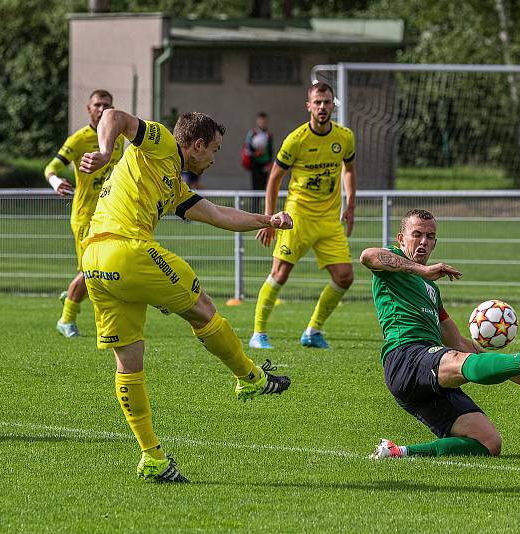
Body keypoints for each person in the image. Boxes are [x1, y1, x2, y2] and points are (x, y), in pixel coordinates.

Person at [78, 108, 293, 483]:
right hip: (126, 249)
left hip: (93, 261)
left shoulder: (173, 185)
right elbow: (114, 115)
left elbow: (216, 215)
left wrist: (267, 220)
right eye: (213, 150)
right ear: (195, 146)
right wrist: (104, 150)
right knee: (203, 308)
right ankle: (249, 377)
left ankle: (153, 457)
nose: (214, 157)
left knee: (128, 361)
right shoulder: (160, 143)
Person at [361, 209, 520, 459]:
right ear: (401, 238)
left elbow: (460, 343)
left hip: (427, 369)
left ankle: (397, 452)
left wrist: (511, 372)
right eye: (416, 234)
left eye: (430, 236)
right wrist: (422, 270)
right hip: (405, 356)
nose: (423, 241)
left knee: (488, 442)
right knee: (453, 359)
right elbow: (367, 256)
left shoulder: (432, 289)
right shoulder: (392, 264)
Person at [249, 82, 356, 350]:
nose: (322, 107)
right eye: (317, 102)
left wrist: (351, 204)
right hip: (298, 217)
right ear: (308, 105)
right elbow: (274, 179)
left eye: (327, 102)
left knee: (345, 277)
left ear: (333, 105)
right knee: (280, 273)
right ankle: (258, 333)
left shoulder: (345, 137)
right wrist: (269, 219)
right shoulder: (295, 140)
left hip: (329, 220)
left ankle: (313, 331)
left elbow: (349, 169)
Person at [44, 89, 124, 338]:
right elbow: (51, 167)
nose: (102, 109)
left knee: (104, 269)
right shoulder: (78, 139)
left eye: (107, 105)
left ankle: (73, 294)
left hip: (111, 214)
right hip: (85, 215)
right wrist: (56, 181)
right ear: (88, 109)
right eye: (97, 105)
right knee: (90, 271)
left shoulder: (118, 138)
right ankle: (66, 319)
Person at [245, 111, 274, 213]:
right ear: (258, 121)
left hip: (265, 166)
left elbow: (271, 151)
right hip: (255, 166)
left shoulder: (269, 135)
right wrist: (256, 153)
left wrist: (269, 164)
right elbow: (248, 149)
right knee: (255, 189)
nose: (263, 123)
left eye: (264, 121)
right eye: (261, 121)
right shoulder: (253, 133)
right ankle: (254, 211)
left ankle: (264, 211)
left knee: (264, 189)